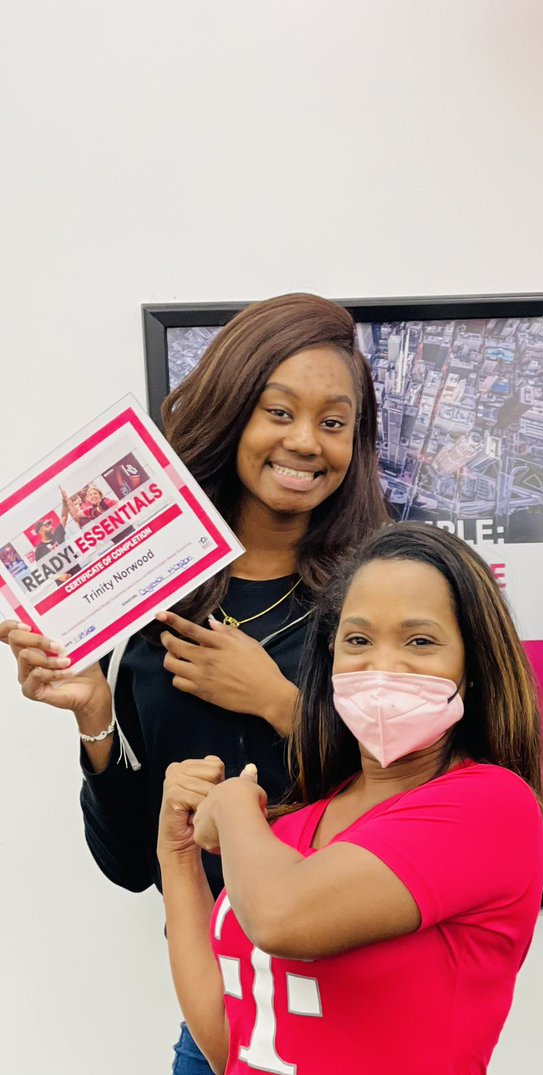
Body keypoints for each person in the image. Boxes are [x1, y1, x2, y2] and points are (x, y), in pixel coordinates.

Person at [2, 292, 389, 1074]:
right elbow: (133, 865)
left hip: (376, 1009)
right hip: (223, 1025)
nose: (306, 442)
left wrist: (278, 702)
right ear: (231, 411)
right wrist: (96, 721)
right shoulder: (148, 610)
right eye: (278, 412)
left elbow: (442, 791)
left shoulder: (387, 593)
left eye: (334, 422)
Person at [157, 522, 543, 1075]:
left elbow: (281, 916)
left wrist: (234, 806)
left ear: (475, 667)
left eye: (420, 641)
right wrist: (176, 855)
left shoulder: (491, 805)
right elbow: (231, 1045)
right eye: (358, 640)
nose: (382, 666)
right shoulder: (293, 830)